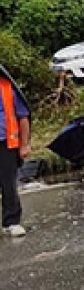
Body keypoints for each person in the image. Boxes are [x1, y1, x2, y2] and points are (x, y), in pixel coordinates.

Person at [0, 65, 32, 237]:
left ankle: (11, 222)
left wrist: (24, 144)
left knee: (8, 185)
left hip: (6, 143)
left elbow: (22, 117)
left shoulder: (6, 88)